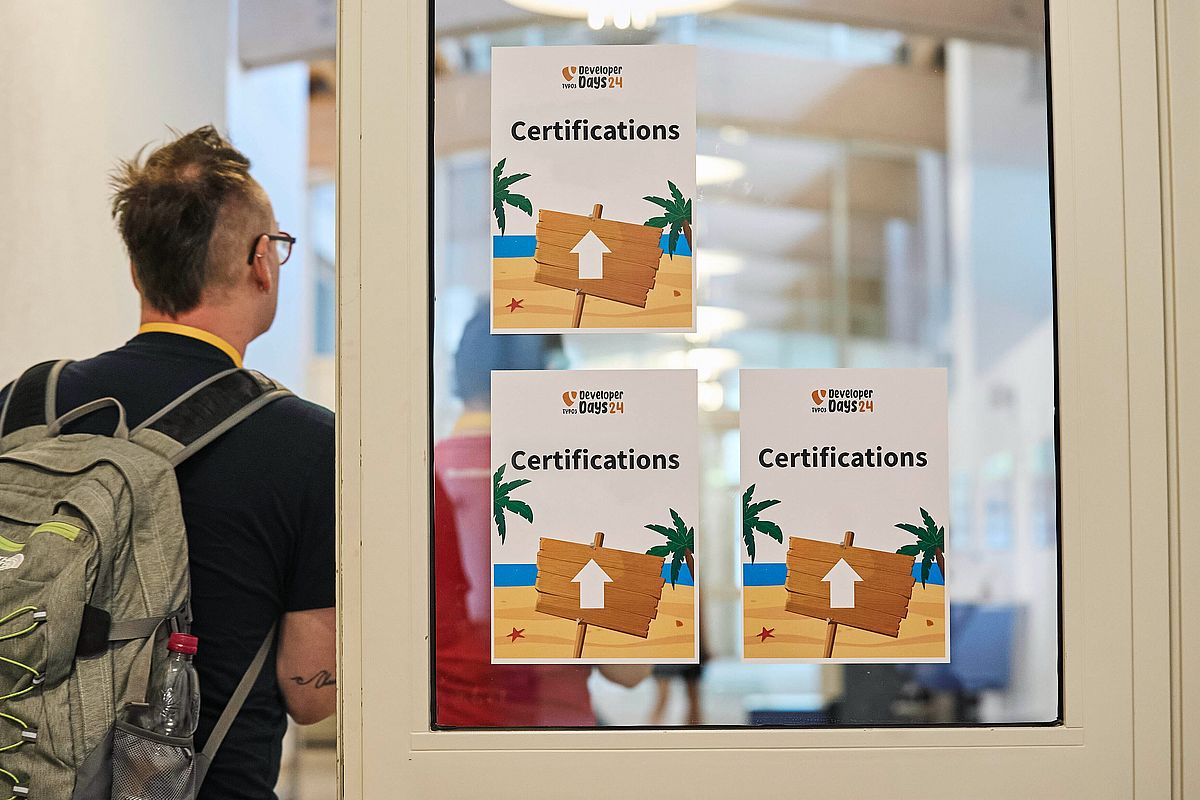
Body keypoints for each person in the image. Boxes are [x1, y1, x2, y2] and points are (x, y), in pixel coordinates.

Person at [1, 126, 336, 798]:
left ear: (136, 269)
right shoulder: (306, 441)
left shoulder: (22, 407)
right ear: (261, 261)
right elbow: (311, 692)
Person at [433, 306, 648, 726]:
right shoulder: (583, 483)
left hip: (438, 740)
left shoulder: (417, 480)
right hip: (555, 739)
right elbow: (628, 670)